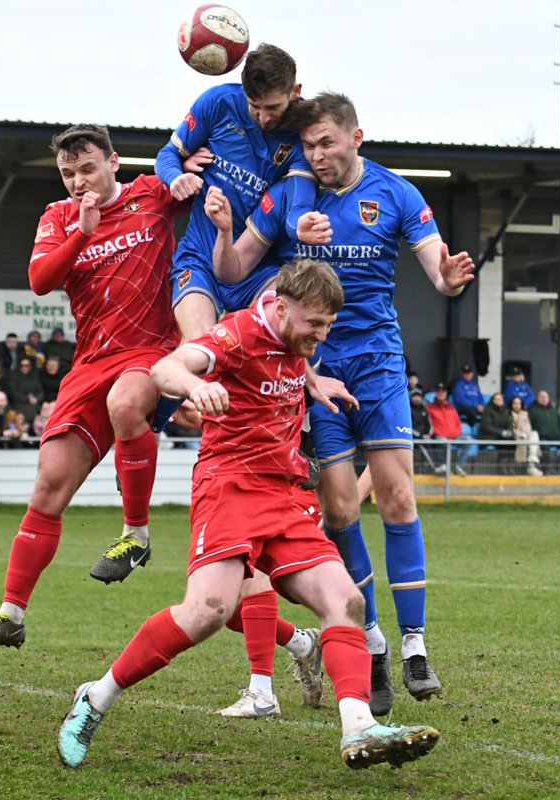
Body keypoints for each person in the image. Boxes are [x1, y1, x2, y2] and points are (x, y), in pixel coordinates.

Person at [56, 258, 439, 772]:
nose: (321, 336)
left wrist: (314, 383)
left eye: (328, 326)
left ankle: (359, 727)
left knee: (344, 600)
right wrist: (193, 387)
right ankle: (95, 697)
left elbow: (295, 357)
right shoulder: (235, 334)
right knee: (208, 611)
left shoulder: (294, 335)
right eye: (314, 325)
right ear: (282, 308)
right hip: (229, 487)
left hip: (282, 493)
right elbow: (165, 368)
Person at [205, 92, 476, 709]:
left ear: (357, 137)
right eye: (308, 145)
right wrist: (225, 231)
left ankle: (414, 645)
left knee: (399, 495)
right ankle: (372, 643)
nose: (316, 154)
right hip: (316, 367)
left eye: (326, 142)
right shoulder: (290, 195)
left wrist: (448, 278)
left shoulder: (397, 194)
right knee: (339, 513)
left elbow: (436, 267)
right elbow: (230, 270)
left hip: (377, 362)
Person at [0, 123, 189, 655]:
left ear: (113, 162)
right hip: (90, 360)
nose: (78, 181)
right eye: (68, 173)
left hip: (149, 349)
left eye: (87, 169)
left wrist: (186, 181)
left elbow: (196, 166)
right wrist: (82, 231)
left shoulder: (150, 194)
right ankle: (11, 613)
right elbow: (40, 279)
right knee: (48, 486)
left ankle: (137, 535)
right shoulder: (59, 217)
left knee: (127, 403)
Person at [155, 43, 315, 348]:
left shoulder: (301, 134)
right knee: (200, 348)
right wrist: (176, 178)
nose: (263, 117)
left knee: (283, 338)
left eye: (273, 108)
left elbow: (298, 202)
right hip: (200, 257)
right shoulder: (218, 102)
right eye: (255, 106)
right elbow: (168, 155)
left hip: (256, 268)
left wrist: (301, 224)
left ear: (295, 91)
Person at [426, 382, 470, 475]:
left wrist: (456, 433)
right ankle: (444, 467)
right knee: (441, 441)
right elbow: (429, 424)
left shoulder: (452, 408)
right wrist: (438, 433)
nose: (441, 393)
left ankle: (459, 466)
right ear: (435, 393)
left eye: (443, 391)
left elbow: (458, 423)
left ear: (446, 393)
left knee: (467, 440)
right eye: (438, 391)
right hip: (440, 436)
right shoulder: (429, 407)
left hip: (454, 437)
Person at [509, 395, 542, 477]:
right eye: (514, 403)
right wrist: (520, 434)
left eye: (518, 403)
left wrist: (525, 434)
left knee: (534, 434)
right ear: (511, 404)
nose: (516, 405)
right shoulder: (508, 415)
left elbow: (528, 427)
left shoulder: (525, 414)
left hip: (526, 435)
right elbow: (511, 429)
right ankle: (529, 466)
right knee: (523, 442)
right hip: (515, 436)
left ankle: (532, 462)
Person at [409, 388, 440, 474]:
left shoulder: (424, 409)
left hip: (425, 437)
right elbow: (407, 427)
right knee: (424, 448)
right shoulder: (408, 409)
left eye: (418, 396)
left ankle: (442, 465)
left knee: (438, 444)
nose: (417, 398)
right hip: (414, 438)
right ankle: (436, 467)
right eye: (414, 396)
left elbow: (429, 424)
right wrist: (420, 435)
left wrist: (428, 434)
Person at [5, 356, 44, 422]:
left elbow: (40, 391)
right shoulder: (13, 376)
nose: (24, 367)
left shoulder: (34, 376)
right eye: (22, 365)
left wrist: (37, 399)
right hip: (19, 403)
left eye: (26, 365)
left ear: (30, 366)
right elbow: (13, 392)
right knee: (26, 411)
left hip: (34, 403)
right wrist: (27, 399)